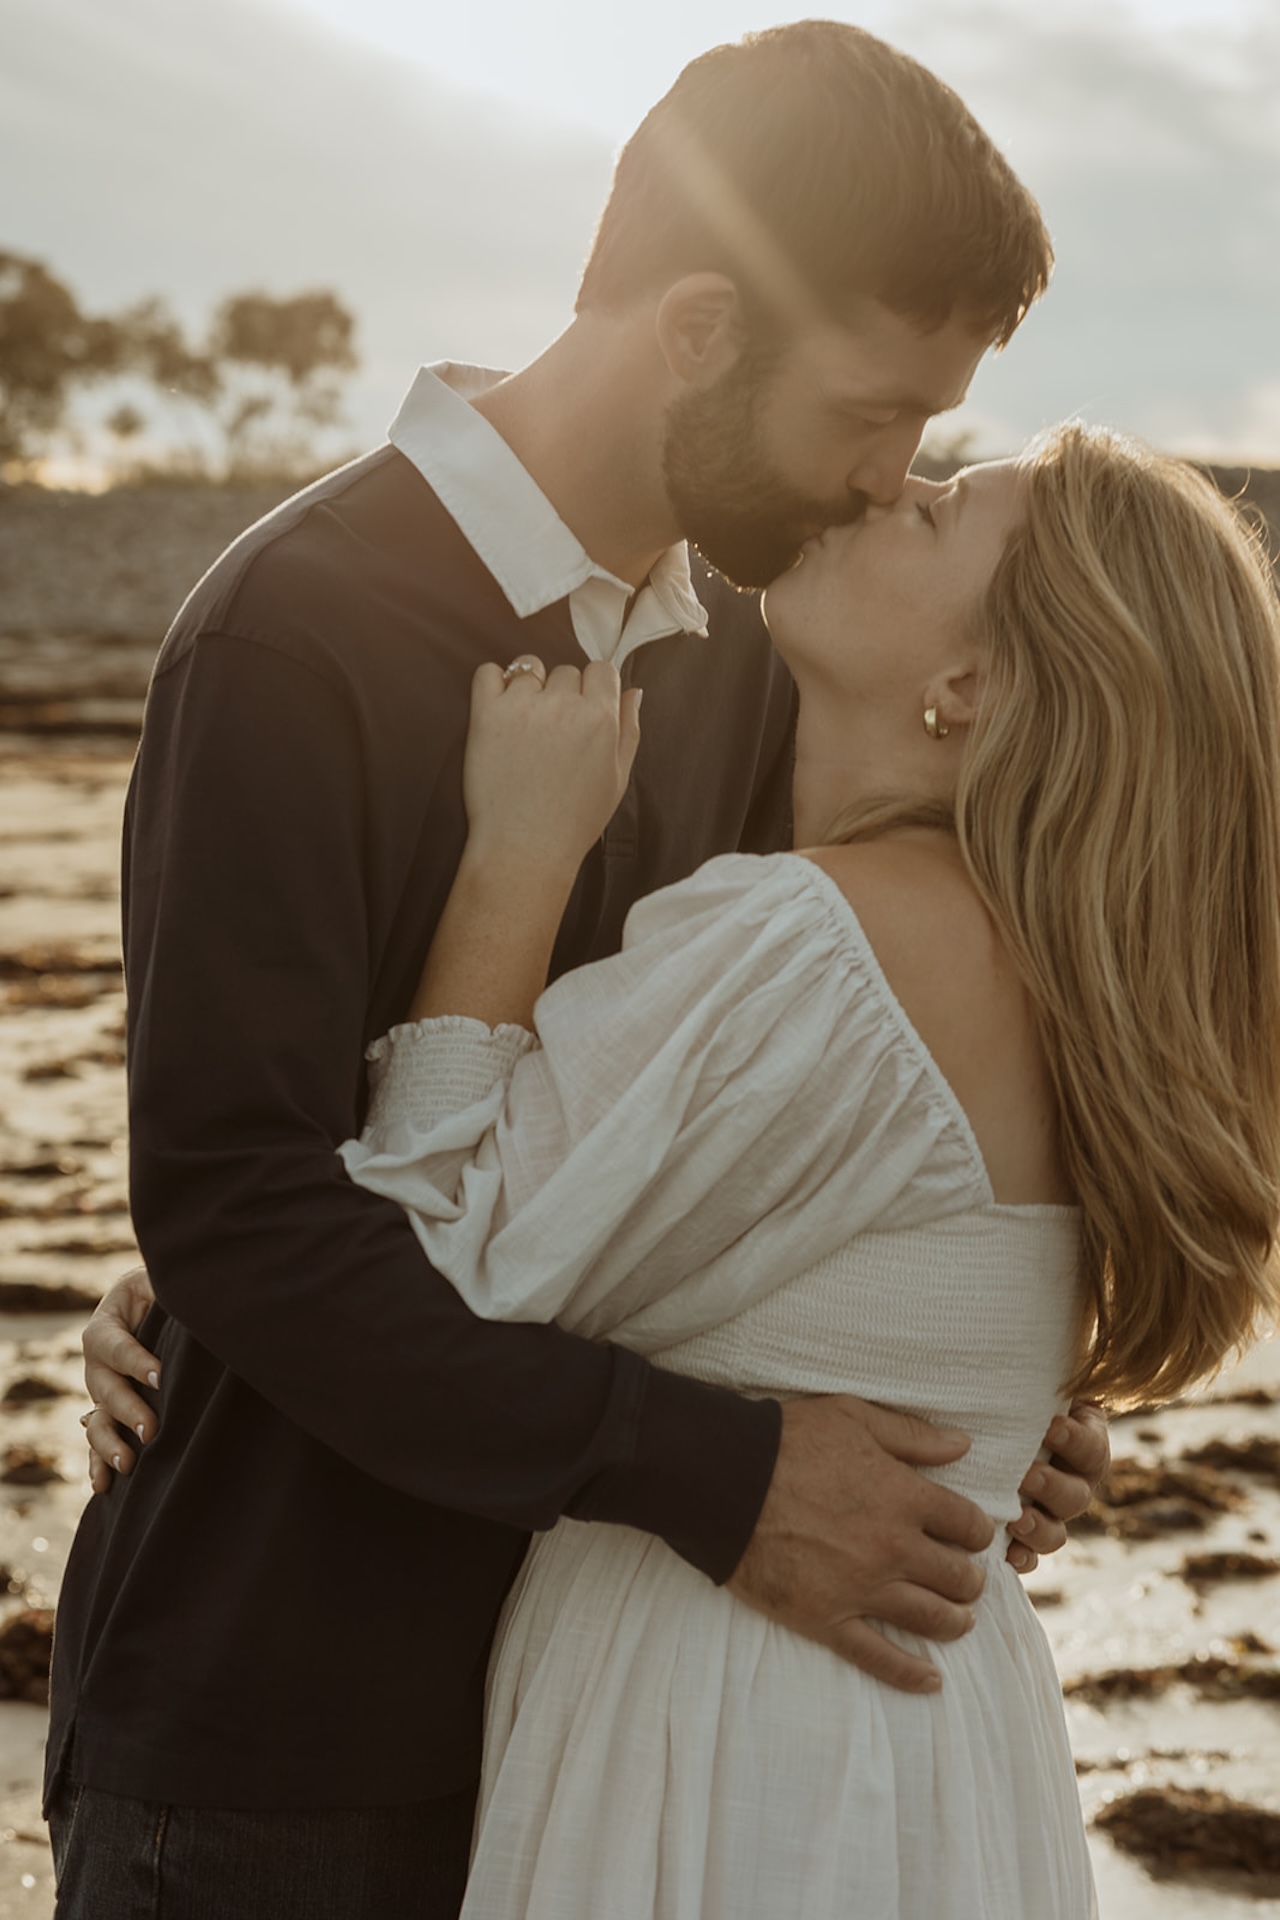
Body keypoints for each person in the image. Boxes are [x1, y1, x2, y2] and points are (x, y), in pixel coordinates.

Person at [52, 22, 1106, 1920]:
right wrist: (718, 1474)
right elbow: (241, 1208)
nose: (889, 484)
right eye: (869, 416)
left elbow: (763, 1123)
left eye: (925, 439)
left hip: (605, 1729)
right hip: (286, 1739)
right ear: (700, 328)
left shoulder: (766, 665)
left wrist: (978, 1375)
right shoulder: (293, 636)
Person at [331, 424, 1280, 1916]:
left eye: (946, 507)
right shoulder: (1068, 980)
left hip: (726, 1720)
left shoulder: (827, 943)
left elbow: (422, 1260)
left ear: (969, 686)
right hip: (939, 1737)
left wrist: (516, 859)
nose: (889, 482)